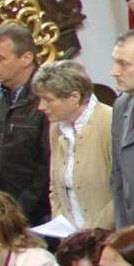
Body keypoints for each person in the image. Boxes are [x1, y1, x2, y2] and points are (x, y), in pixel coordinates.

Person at [0, 23, 48, 219]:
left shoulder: (47, 96)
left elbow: (49, 164)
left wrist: (22, 207)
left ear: (26, 58)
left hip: (45, 209)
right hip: (7, 206)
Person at [34, 58, 113, 230]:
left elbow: (123, 193)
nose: (41, 106)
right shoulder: (56, 126)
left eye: (48, 99)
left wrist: (90, 232)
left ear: (74, 97)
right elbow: (55, 188)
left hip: (107, 234)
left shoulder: (110, 122)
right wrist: (63, 228)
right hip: (73, 236)